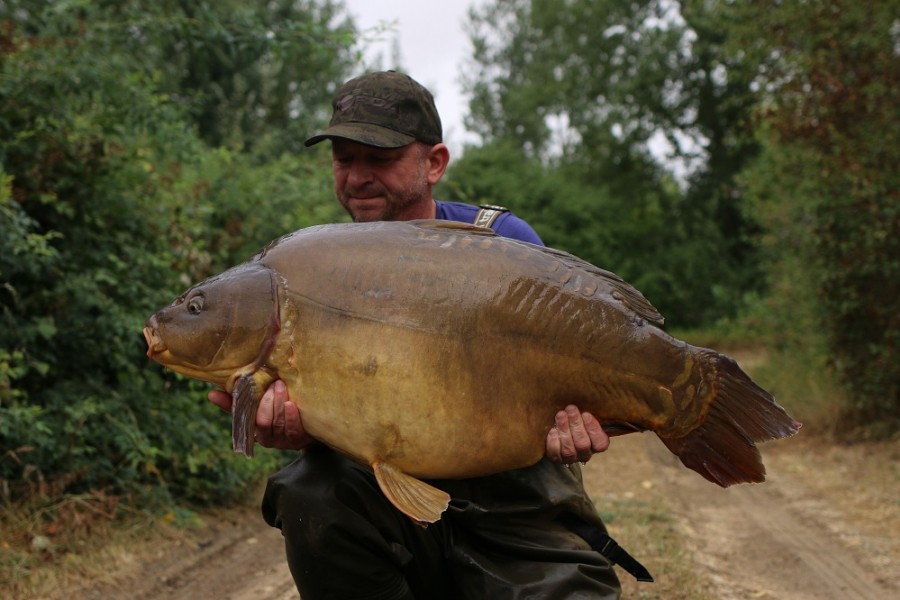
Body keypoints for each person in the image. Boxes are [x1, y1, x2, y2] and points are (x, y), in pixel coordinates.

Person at [209, 71, 649, 599]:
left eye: (380, 159)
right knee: (310, 492)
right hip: (394, 513)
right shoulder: (317, 271)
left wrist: (574, 429)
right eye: (345, 159)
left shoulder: (501, 243)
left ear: (434, 163)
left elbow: (564, 384)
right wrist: (302, 430)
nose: (358, 177)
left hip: (514, 514)